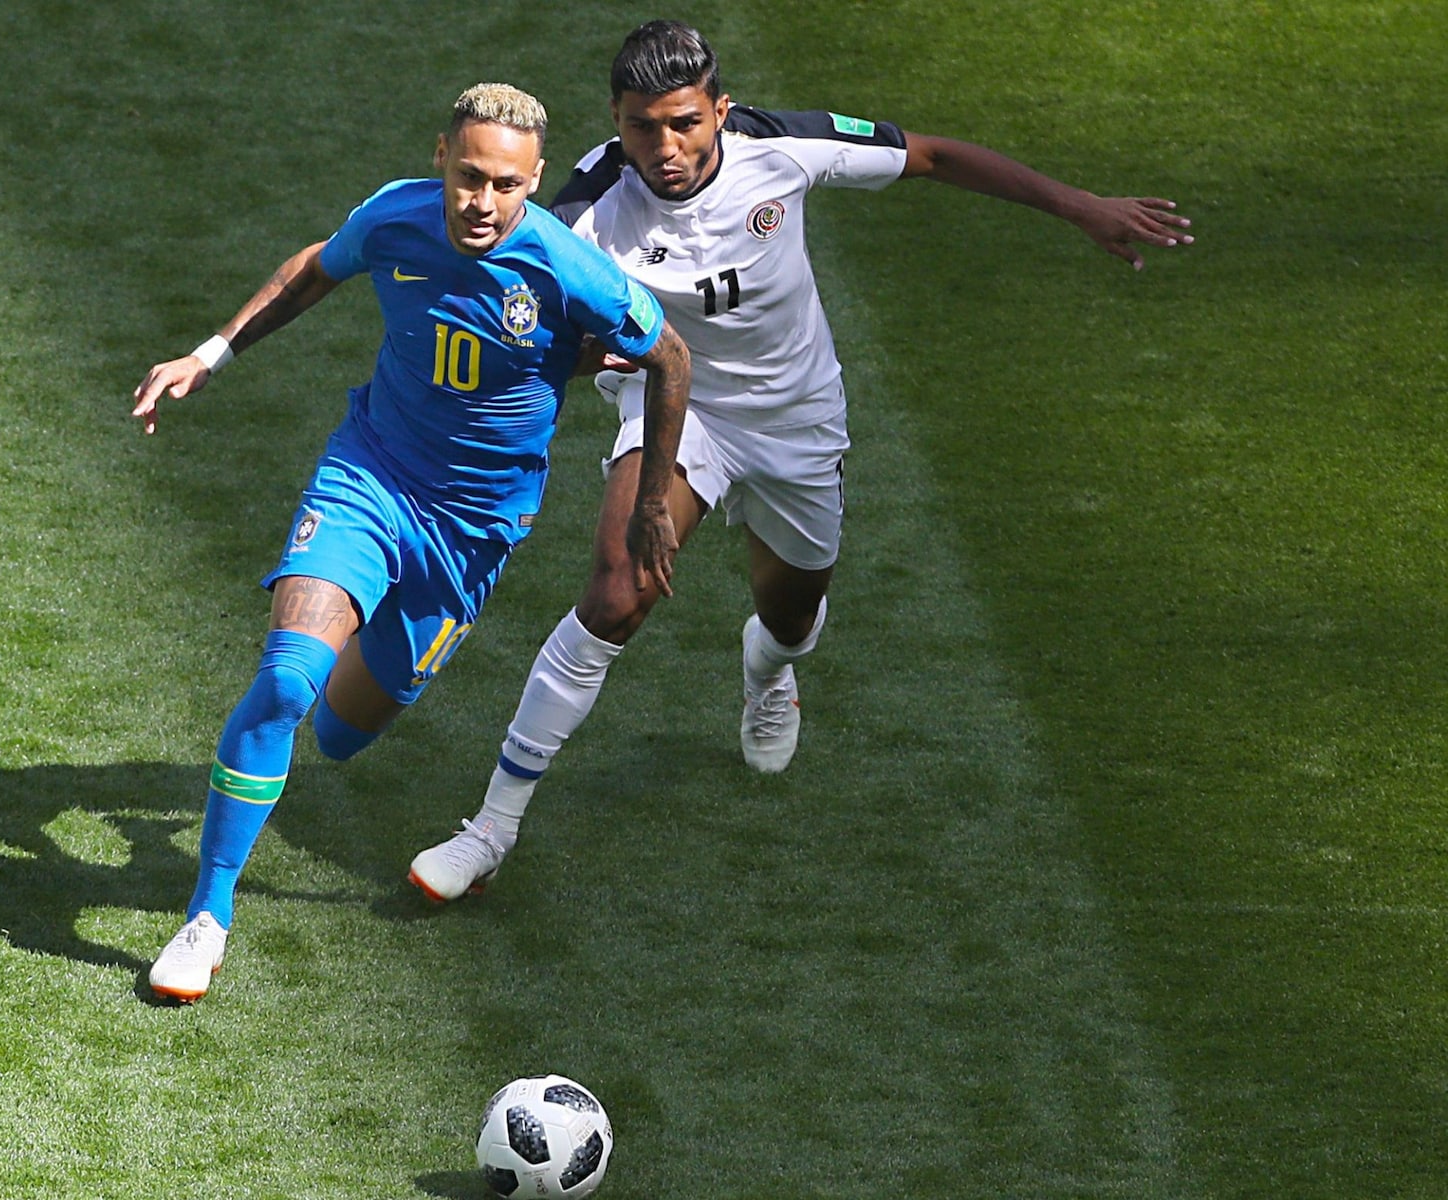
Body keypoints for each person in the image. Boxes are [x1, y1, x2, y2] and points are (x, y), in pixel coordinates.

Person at [407, 20, 1193, 902]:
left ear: (720, 111)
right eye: (641, 127)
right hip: (679, 410)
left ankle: (769, 670)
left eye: (684, 123)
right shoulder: (586, 210)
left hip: (797, 422)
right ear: (615, 122)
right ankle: (492, 828)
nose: (664, 149)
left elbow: (933, 155)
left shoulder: (781, 150)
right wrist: (586, 358)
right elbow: (543, 340)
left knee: (791, 614)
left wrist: (1080, 206)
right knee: (616, 593)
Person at [132, 83, 692, 1002]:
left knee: (341, 732)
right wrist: (209, 354)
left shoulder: (567, 268)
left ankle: (330, 694)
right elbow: (317, 267)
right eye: (469, 177)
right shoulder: (395, 216)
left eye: (506, 185)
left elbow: (670, 357)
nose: (482, 203)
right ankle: (207, 915)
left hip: (472, 529)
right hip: (371, 477)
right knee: (286, 681)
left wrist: (652, 504)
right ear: (441, 157)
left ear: (535, 182)